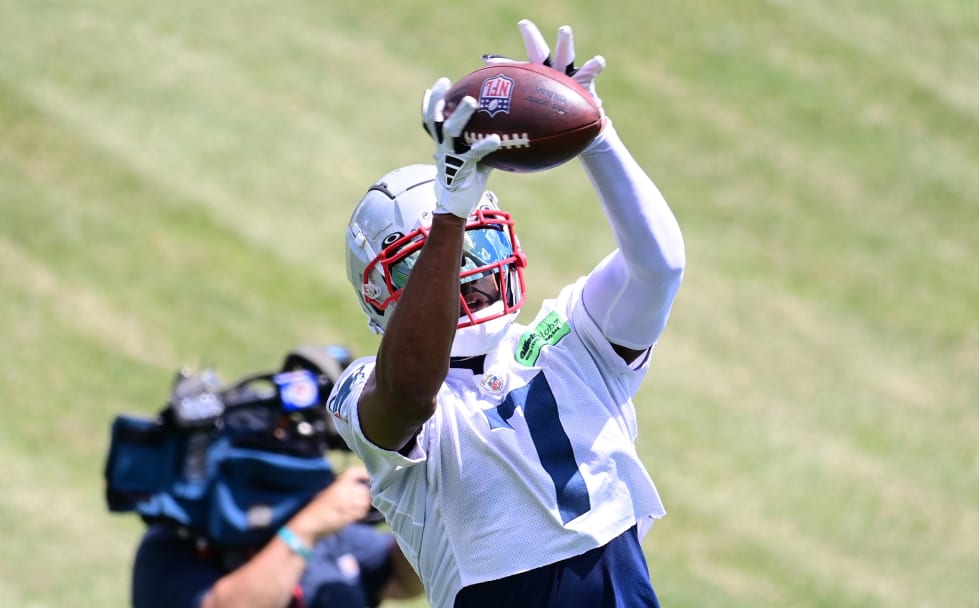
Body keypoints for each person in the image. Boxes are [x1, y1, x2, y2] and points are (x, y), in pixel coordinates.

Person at [327, 18, 685, 608]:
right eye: (425, 266)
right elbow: (412, 393)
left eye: (477, 244)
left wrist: (597, 137)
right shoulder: (368, 388)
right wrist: (449, 215)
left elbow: (660, 265)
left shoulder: (572, 338)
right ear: (384, 295)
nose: (467, 273)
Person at [127, 349, 424, 608]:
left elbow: (401, 579)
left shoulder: (311, 518)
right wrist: (306, 530)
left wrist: (411, 500)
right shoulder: (172, 547)